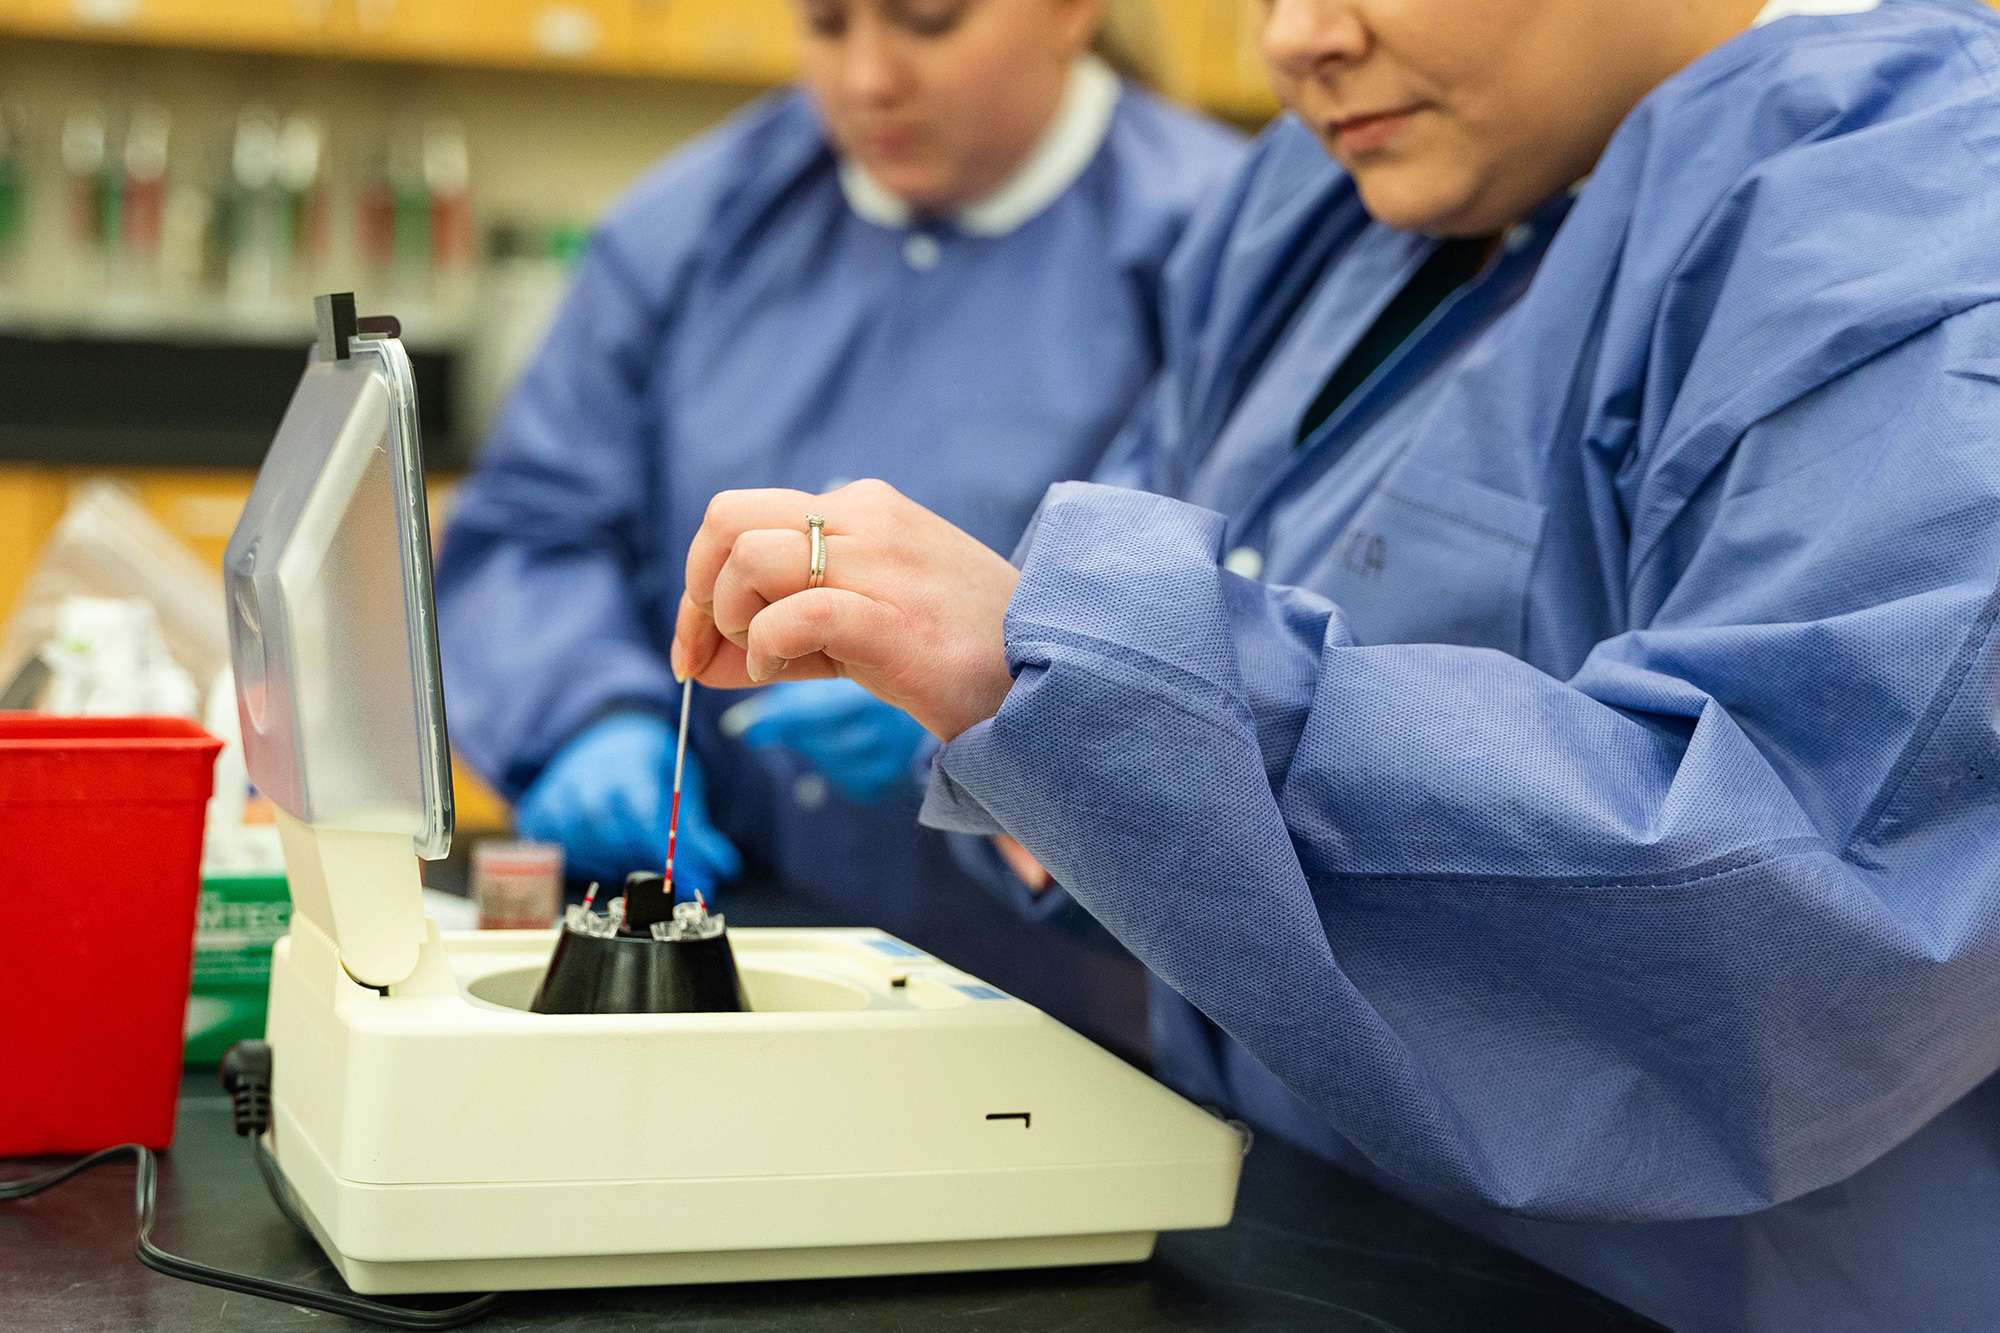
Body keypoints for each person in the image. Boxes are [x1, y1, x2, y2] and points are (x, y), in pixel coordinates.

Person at [672, 0, 2000, 1327]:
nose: (1294, 39)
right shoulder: (1334, 194)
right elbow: (1129, 596)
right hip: (1304, 1224)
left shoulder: (1928, 223)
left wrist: (1103, 692)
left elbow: (1789, 916)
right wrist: (1031, 731)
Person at [435, 0, 1241, 1047]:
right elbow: (533, 524)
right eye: (824, 24)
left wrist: (1010, 701)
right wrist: (585, 713)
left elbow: (1250, 609)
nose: (866, 79)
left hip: (1085, 987)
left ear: (1069, 14)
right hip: (742, 925)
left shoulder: (1213, 240)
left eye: (927, 23)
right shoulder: (699, 219)